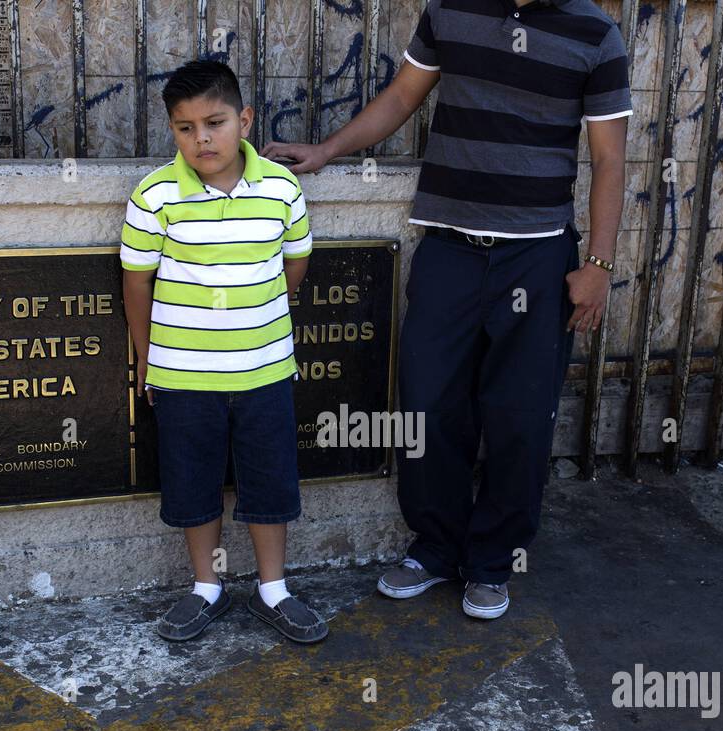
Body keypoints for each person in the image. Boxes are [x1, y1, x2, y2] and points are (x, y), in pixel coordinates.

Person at [264, 0, 631, 619]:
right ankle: (434, 549)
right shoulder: (450, 11)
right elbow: (403, 96)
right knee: (428, 406)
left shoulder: (596, 34)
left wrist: (597, 266)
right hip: (448, 250)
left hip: (537, 259)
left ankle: (492, 562)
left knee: (519, 418)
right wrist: (328, 150)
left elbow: (611, 158)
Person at [121, 59, 328, 644]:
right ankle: (206, 589)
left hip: (264, 370)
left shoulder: (281, 188)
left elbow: (297, 258)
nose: (201, 139)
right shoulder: (157, 194)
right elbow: (137, 282)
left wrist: (274, 308)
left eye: (214, 123)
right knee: (193, 481)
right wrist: (146, 359)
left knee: (269, 481)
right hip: (184, 374)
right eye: (184, 128)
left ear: (245, 119)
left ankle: (273, 590)